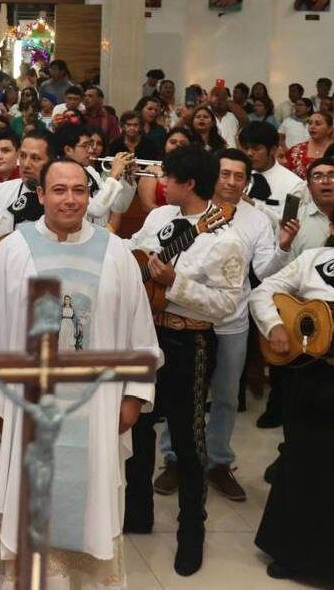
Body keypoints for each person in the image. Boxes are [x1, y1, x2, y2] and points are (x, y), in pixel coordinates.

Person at [0, 158, 160, 589]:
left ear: (90, 196)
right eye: (59, 190)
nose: (70, 199)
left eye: (79, 190)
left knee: (91, 508)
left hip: (99, 410)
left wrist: (133, 396)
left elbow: (140, 330)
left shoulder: (116, 254)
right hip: (25, 411)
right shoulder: (13, 250)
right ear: (41, 196)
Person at [250, 197, 334, 586]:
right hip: (315, 376)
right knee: (305, 467)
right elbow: (264, 292)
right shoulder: (310, 260)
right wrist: (275, 326)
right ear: (333, 226)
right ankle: (293, 554)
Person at [124, 145, 246, 576]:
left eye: (168, 179)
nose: (161, 185)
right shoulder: (159, 218)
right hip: (145, 335)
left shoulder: (224, 238)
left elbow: (226, 305)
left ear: (189, 183)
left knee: (187, 437)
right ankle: (136, 512)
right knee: (136, 426)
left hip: (188, 343)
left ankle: (191, 531)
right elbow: (133, 256)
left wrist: (175, 284)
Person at [153, 150, 293, 503]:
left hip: (229, 320)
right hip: (179, 318)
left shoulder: (256, 220)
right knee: (179, 393)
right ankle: (174, 458)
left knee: (226, 395)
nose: (231, 181)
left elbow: (263, 270)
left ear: (247, 180)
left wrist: (284, 249)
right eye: (224, 174)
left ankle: (217, 462)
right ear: (212, 177)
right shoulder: (187, 211)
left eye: (238, 176)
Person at [238, 121, 305, 227]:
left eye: (256, 148)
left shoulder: (294, 184)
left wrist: (253, 205)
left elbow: (287, 226)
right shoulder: (235, 177)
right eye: (245, 148)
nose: (249, 153)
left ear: (273, 150)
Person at [281, 111, 334, 178]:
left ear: (330, 129)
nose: (312, 127)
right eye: (310, 123)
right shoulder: (296, 150)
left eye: (318, 124)